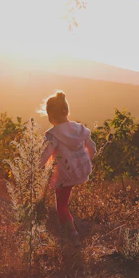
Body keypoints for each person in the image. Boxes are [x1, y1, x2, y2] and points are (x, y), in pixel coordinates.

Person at [39, 91, 97, 238]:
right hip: (80, 171)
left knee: (61, 206)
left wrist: (35, 168)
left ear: (51, 115)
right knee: (63, 202)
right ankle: (66, 231)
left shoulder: (54, 134)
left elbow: (45, 154)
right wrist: (85, 161)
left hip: (64, 176)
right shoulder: (80, 129)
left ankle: (72, 234)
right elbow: (93, 149)